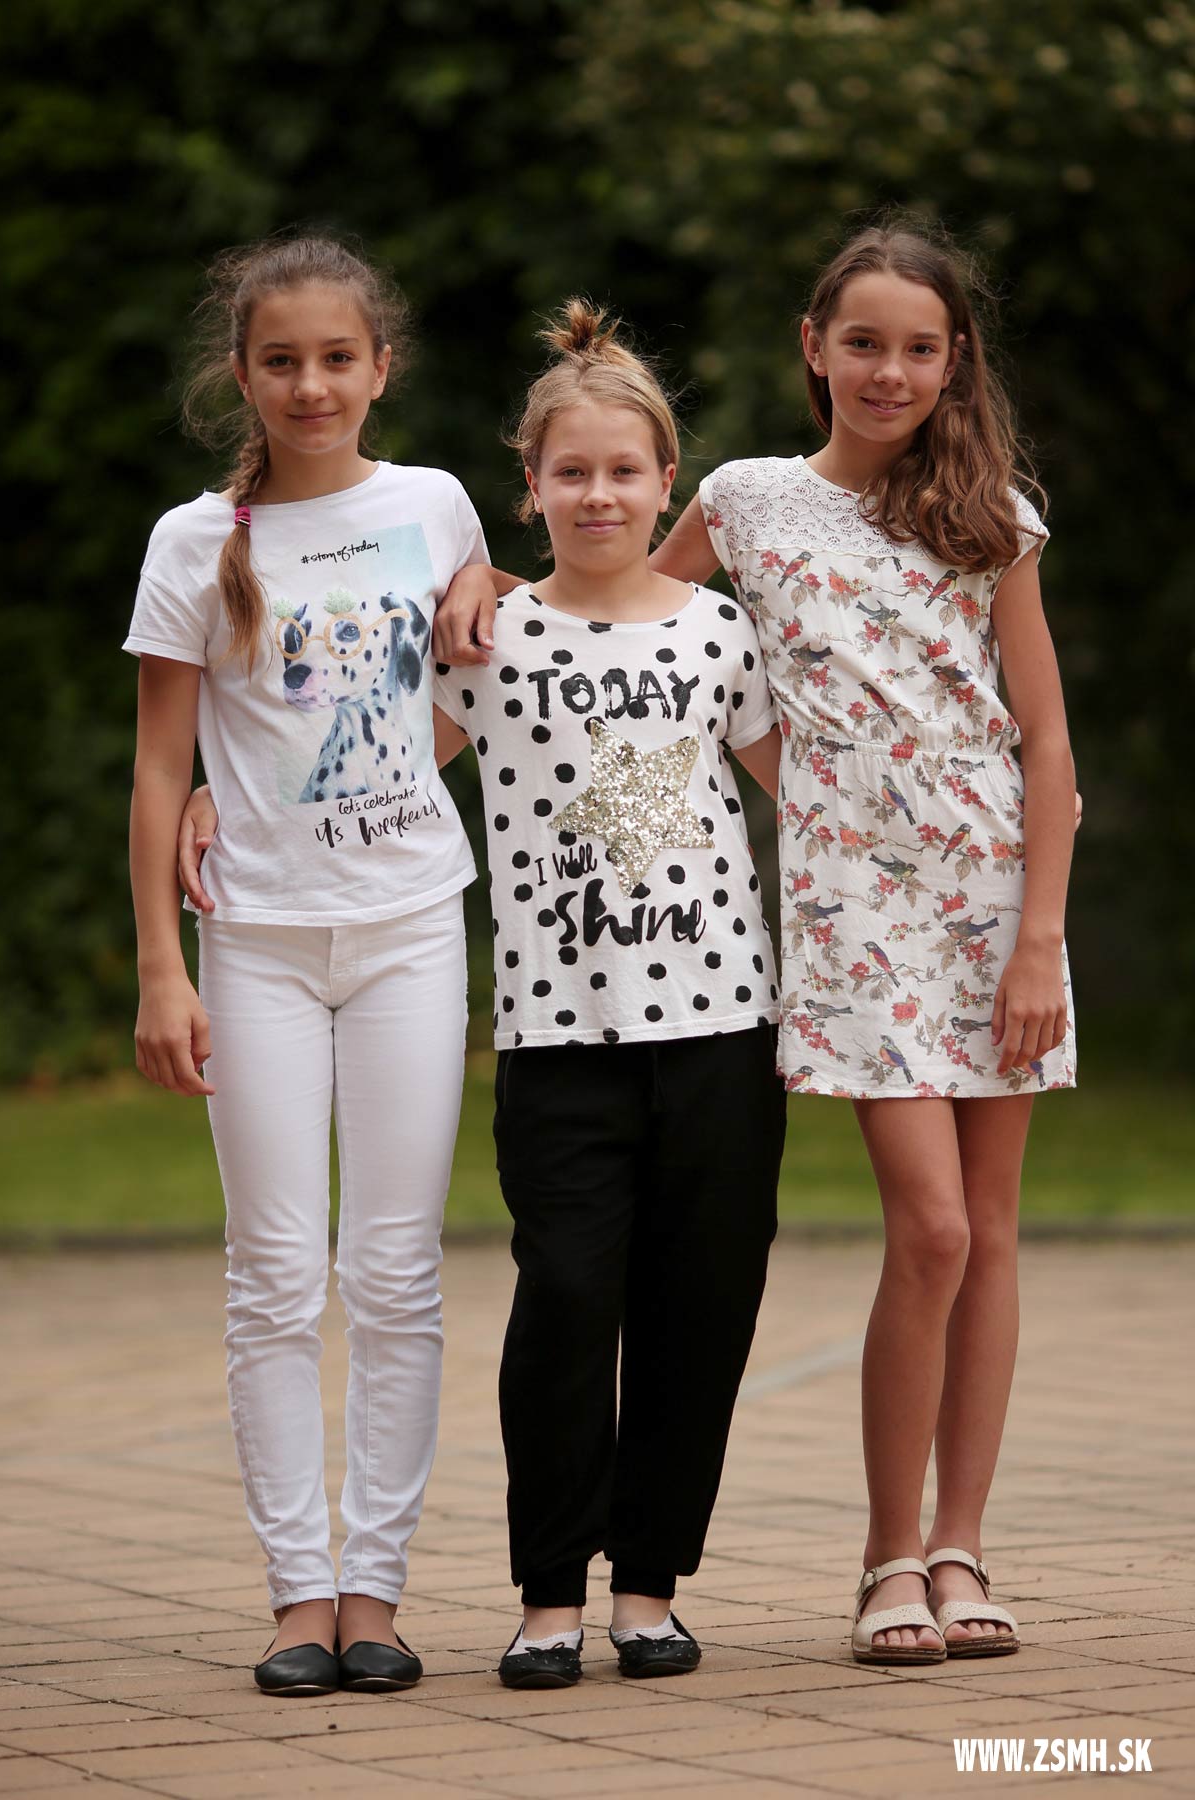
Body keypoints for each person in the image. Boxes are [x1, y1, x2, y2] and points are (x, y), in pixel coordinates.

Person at [434, 223, 1077, 1666]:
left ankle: (958, 1548)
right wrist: (482, 584)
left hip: (994, 901)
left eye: (920, 346)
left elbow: (1045, 739)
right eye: (863, 342)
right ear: (813, 348)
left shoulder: (998, 517)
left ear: (956, 359)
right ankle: (885, 1558)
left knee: (989, 1233)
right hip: (854, 912)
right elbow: (620, 624)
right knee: (934, 1227)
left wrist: (1042, 931)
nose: (890, 370)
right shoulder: (743, 500)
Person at [127, 233, 486, 1697]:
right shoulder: (190, 542)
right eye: (282, 361)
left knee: (394, 1272)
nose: (311, 385)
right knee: (274, 1276)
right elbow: (159, 770)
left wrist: (363, 787)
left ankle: (375, 1590)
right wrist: (162, 967)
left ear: (380, 368)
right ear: (243, 375)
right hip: (255, 945)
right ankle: (298, 1593)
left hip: (409, 929)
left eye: (338, 358)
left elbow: (464, 690)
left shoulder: (436, 504)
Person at [434, 300, 788, 1688]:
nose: (598, 494)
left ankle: (649, 1588)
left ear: (665, 483)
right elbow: (374, 767)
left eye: (624, 471)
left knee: (700, 1312)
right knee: (567, 1306)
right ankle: (548, 1597)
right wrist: (220, 794)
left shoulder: (720, 635)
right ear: (528, 485)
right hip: (558, 1040)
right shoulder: (486, 639)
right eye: (569, 471)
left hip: (722, 1034)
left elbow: (816, 793)